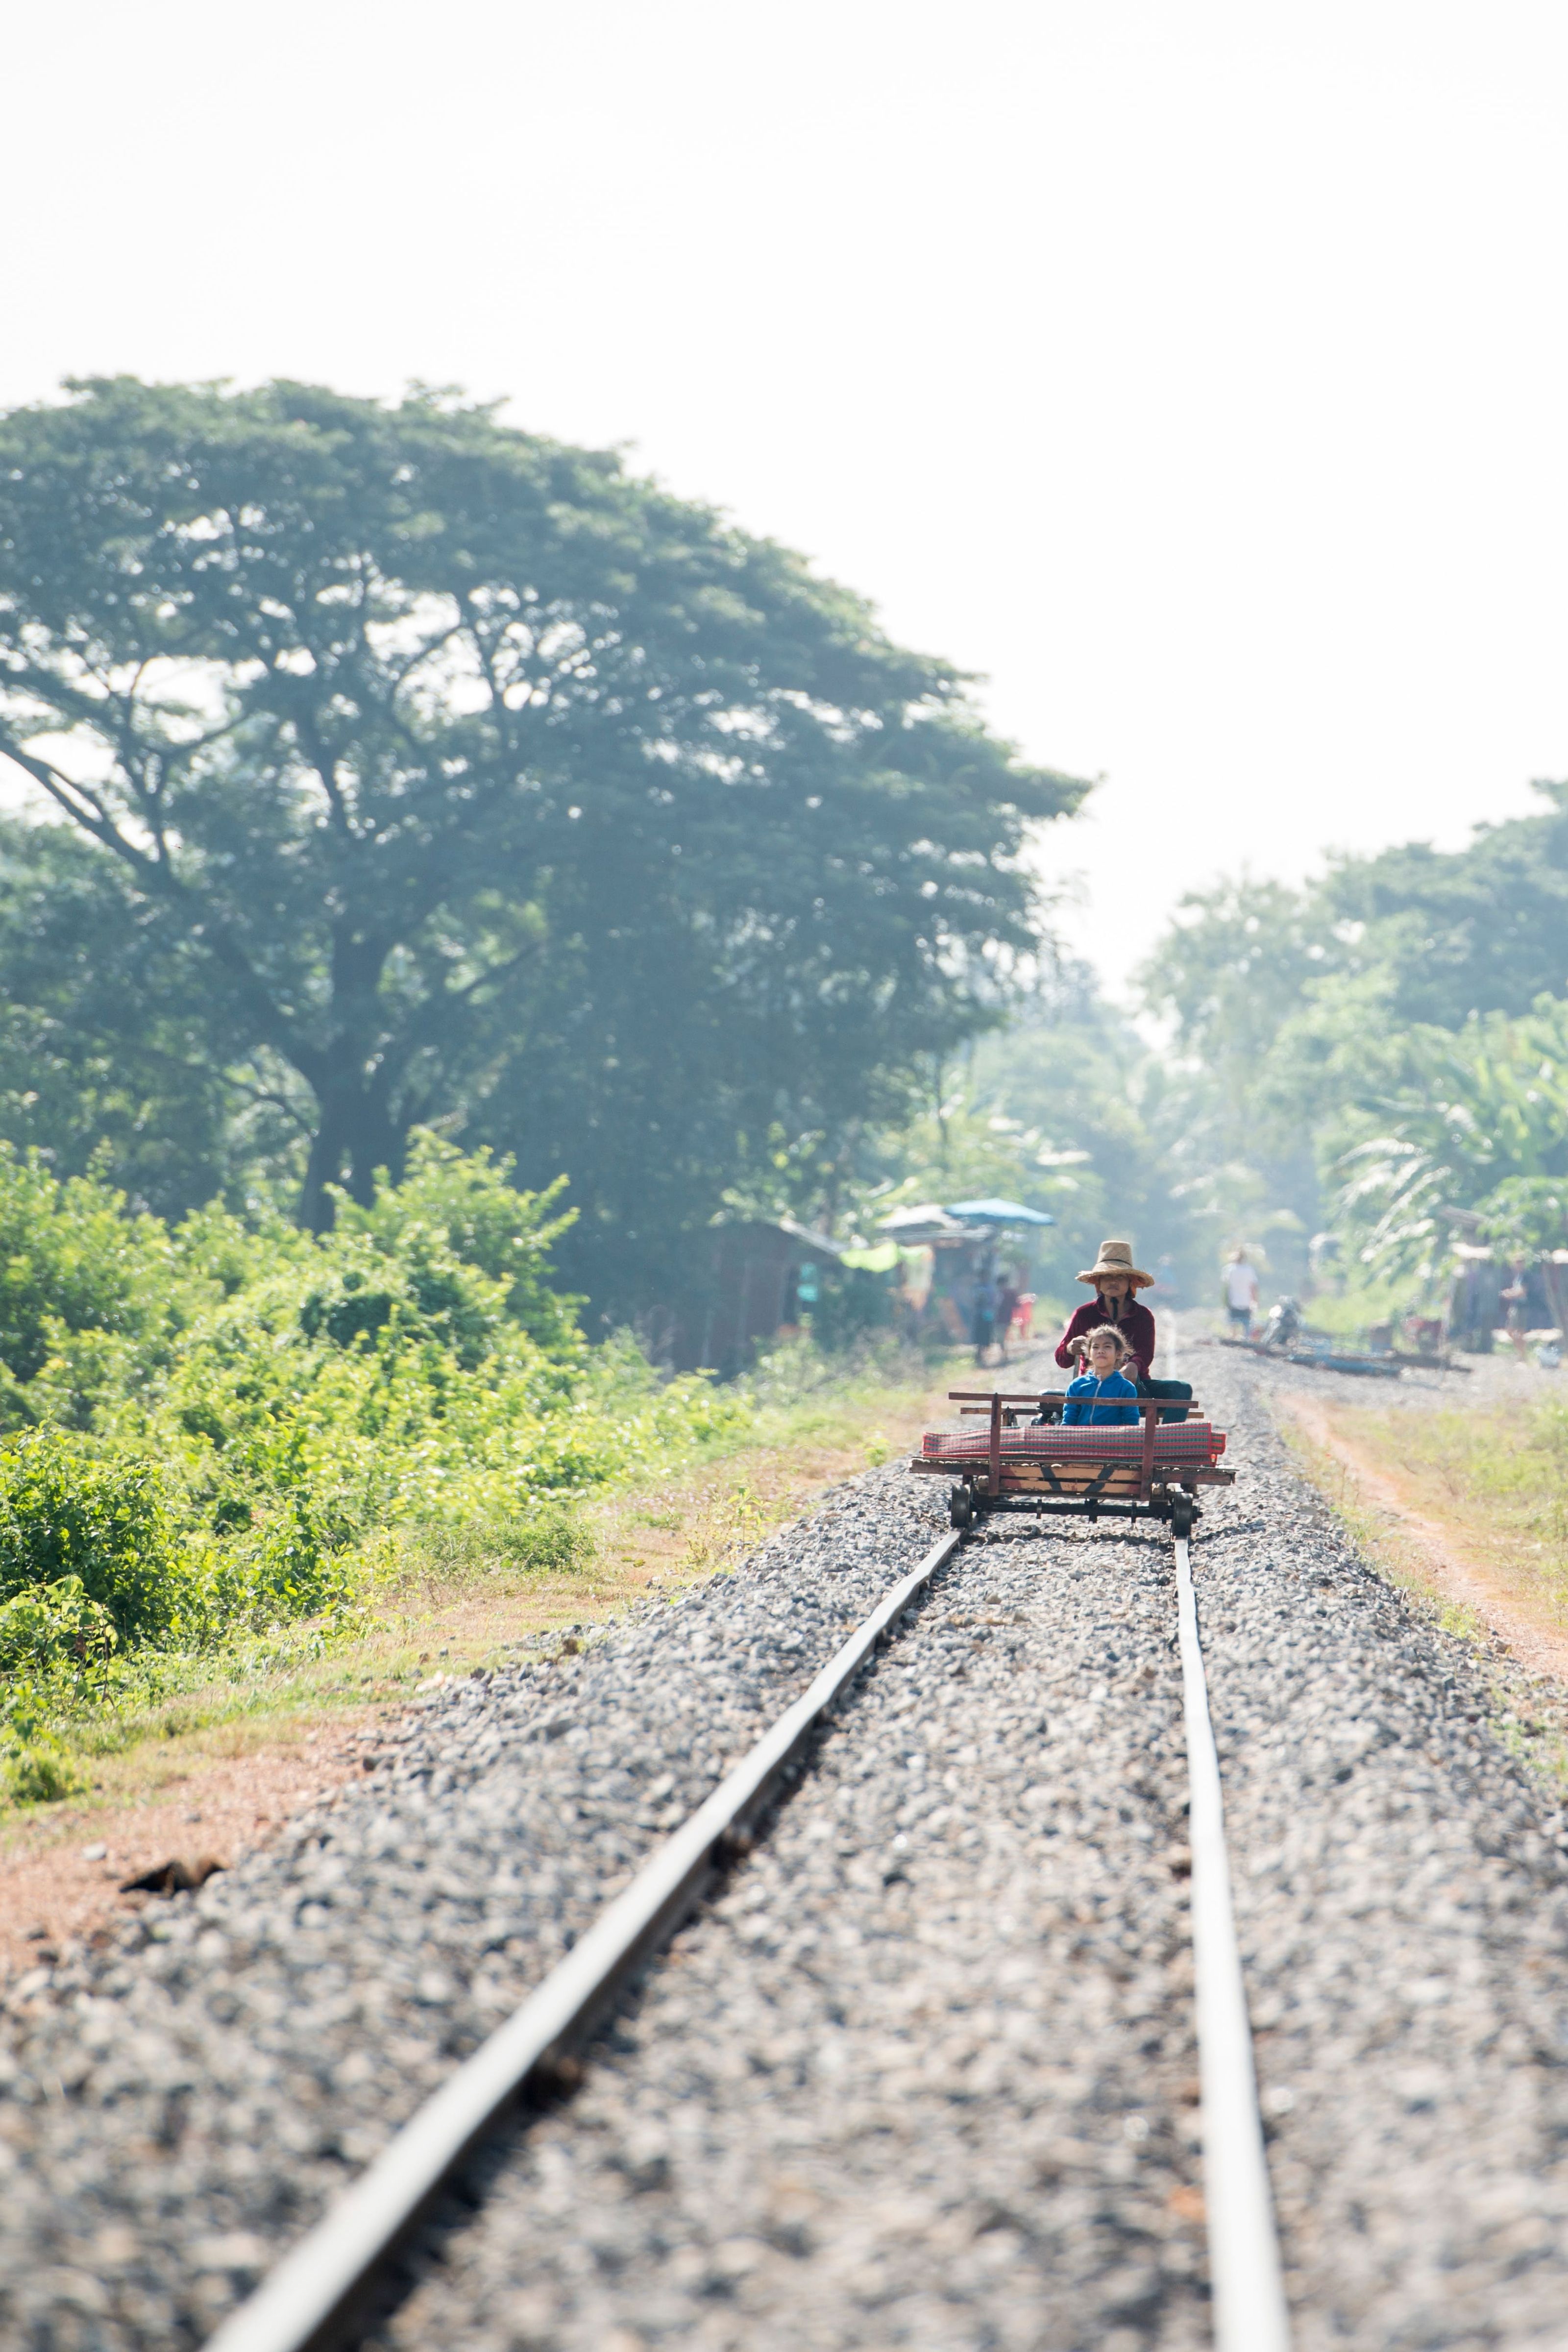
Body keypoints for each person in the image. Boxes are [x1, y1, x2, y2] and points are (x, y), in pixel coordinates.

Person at [1052, 1238, 1193, 1421]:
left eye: (1120, 1277)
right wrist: (1070, 1348)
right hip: (1093, 1387)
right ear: (1098, 1283)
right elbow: (1062, 1360)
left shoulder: (1143, 1316)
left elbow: (1145, 1354)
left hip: (1133, 1386)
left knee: (1182, 1389)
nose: (1113, 1282)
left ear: (1130, 1283)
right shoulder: (1083, 1314)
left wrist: (1133, 1367)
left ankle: (1168, 1438)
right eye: (1107, 1277)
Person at [1061, 1325, 1140, 1423]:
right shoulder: (1077, 1385)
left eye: (1107, 1347)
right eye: (1096, 1347)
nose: (1101, 1351)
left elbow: (1131, 1422)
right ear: (1089, 1354)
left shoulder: (1126, 1388)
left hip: (1112, 1434)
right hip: (1081, 1433)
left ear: (1119, 1354)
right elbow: (1069, 1419)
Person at [1223, 1247, 1259, 1334]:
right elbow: (1253, 1287)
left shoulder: (1230, 1270)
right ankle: (1246, 1339)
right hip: (1246, 1302)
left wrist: (1225, 1301)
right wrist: (1255, 1301)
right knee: (1247, 1327)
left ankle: (1233, 1337)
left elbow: (1227, 1287)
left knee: (1233, 1327)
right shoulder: (1249, 1270)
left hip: (1233, 1302)